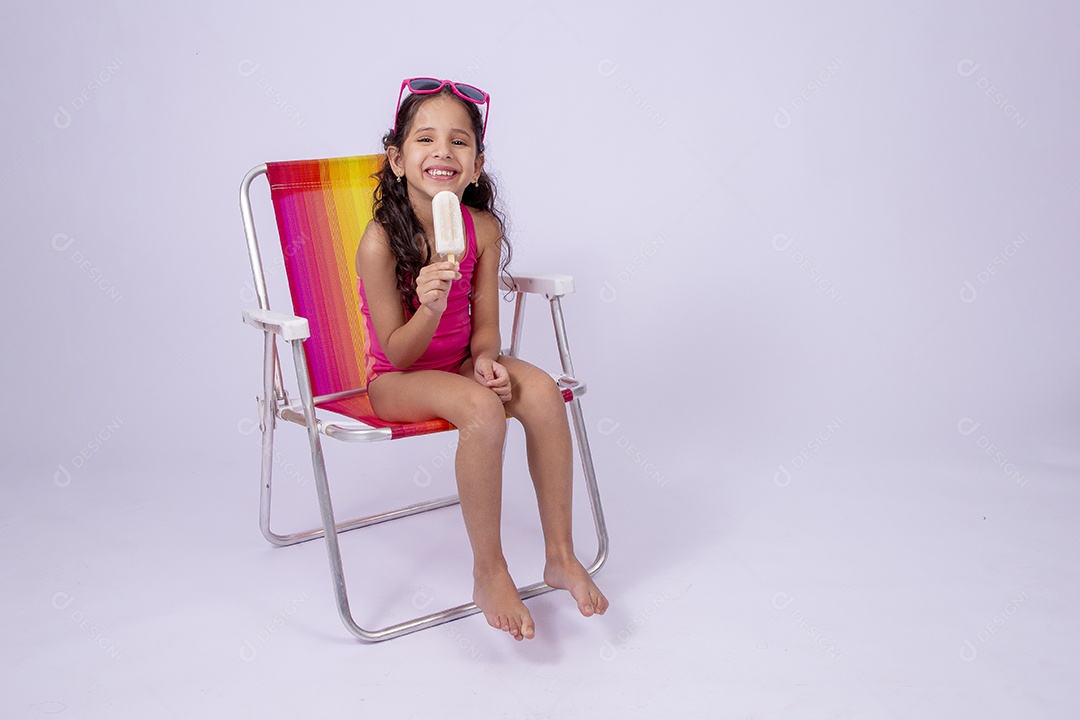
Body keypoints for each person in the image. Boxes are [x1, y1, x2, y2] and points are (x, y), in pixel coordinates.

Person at [354, 78, 608, 641]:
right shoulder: (380, 242)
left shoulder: (483, 230)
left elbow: (486, 325)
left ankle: (560, 555)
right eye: (425, 139)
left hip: (460, 366)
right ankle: (489, 571)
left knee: (541, 391)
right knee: (480, 409)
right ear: (397, 160)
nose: (442, 150)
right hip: (397, 378)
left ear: (476, 165)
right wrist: (429, 305)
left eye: (459, 142)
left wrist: (488, 357)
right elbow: (396, 349)